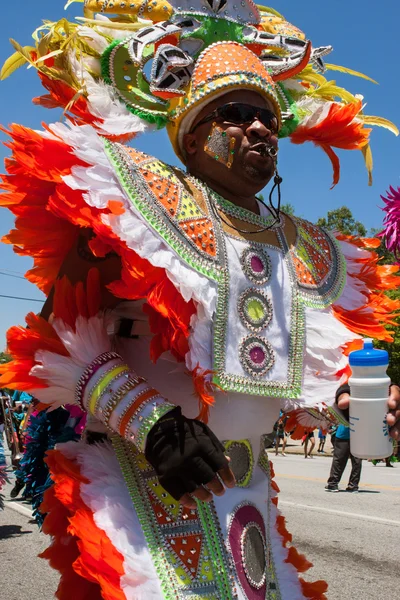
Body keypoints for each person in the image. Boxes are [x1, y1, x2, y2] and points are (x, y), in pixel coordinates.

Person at [1, 2, 400, 599]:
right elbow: (55, 339)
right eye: (236, 114)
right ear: (189, 131)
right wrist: (153, 423)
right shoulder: (129, 199)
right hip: (141, 489)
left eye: (268, 116)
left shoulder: (308, 247)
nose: (261, 128)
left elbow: (287, 393)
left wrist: (347, 403)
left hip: (249, 499)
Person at [325, 424, 362, 492]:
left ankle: (333, 484)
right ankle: (353, 485)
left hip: (344, 434)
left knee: (339, 460)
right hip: (358, 434)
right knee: (357, 461)